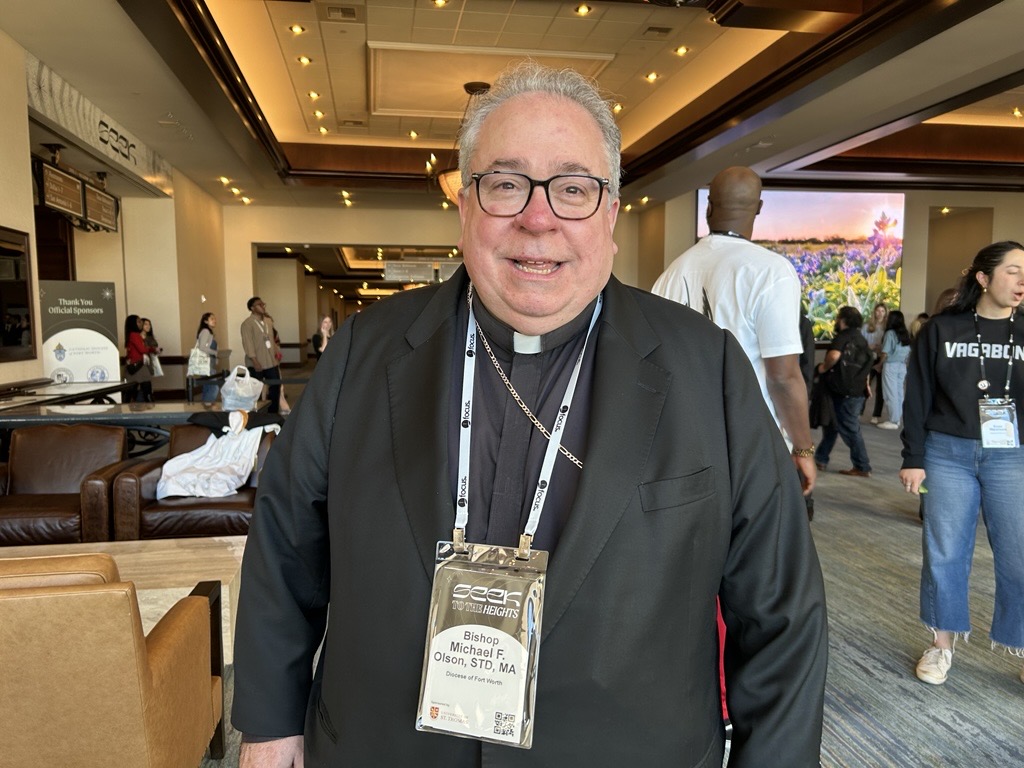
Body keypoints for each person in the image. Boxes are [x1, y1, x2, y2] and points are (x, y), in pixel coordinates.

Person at [232, 61, 827, 767]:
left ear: (610, 215)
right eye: (506, 184)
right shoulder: (365, 349)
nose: (538, 218)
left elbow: (781, 613)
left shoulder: (709, 367)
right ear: (465, 207)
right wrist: (270, 722)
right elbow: (286, 546)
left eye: (573, 188)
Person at [899, 240, 1024, 687]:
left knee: (1019, 553)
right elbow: (918, 395)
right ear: (984, 278)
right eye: (1013, 271)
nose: (1022, 281)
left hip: (1012, 455)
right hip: (946, 452)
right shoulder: (941, 329)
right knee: (945, 552)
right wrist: (913, 457)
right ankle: (941, 644)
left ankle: (1020, 644)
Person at [652, 165, 816, 498]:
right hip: (751, 444)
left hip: (683, 442)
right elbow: (783, 377)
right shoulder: (771, 272)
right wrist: (803, 448)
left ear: (709, 207)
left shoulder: (671, 273)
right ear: (759, 207)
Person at [814, 306, 873, 476]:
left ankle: (862, 465)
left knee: (849, 428)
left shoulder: (842, 337)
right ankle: (821, 458)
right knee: (834, 425)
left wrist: (823, 368)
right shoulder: (861, 339)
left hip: (841, 390)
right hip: (856, 390)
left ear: (843, 320)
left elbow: (834, 356)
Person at [240, 296, 279, 414]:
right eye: (259, 305)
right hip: (256, 362)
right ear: (252, 308)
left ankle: (272, 413)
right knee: (255, 390)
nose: (263, 306)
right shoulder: (247, 324)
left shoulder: (268, 321)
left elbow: (272, 340)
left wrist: (276, 353)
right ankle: (256, 414)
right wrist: (254, 361)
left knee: (275, 386)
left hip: (271, 361)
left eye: (263, 304)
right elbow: (248, 344)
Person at [876, 310, 911, 429]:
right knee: (899, 392)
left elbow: (885, 352)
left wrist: (879, 364)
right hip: (902, 365)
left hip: (890, 365)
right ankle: (897, 419)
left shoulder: (890, 333)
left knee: (890, 393)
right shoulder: (905, 333)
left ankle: (893, 420)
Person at [863, 302, 888, 423]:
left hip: (882, 358)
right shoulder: (867, 326)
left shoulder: (887, 328)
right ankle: (860, 410)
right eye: (878, 311)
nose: (880, 314)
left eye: (882, 311)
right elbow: (861, 342)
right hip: (869, 357)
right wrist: (870, 346)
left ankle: (876, 414)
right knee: (865, 384)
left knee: (880, 389)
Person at [123, 313, 158, 402]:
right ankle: (150, 406)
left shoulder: (130, 335)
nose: (141, 324)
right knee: (146, 390)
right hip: (139, 366)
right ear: (133, 324)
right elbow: (142, 349)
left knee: (132, 391)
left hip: (135, 366)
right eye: (139, 322)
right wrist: (152, 349)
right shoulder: (135, 335)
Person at [265, 315, 291, 415]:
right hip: (267, 362)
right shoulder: (265, 332)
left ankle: (282, 407)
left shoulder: (273, 332)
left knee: (278, 385)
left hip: (274, 361)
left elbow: (276, 344)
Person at [195, 312, 219, 406]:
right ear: (205, 321)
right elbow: (202, 347)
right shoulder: (205, 331)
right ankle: (208, 405)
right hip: (206, 362)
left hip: (208, 362)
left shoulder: (208, 332)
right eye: (212, 319)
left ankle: (205, 406)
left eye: (214, 319)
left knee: (207, 386)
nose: (214, 320)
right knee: (214, 386)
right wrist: (215, 353)